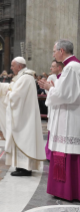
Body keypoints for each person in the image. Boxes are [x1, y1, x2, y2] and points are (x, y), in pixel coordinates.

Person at [0, 56, 46, 176]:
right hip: (20, 115)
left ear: (19, 66)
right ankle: (21, 166)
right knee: (20, 140)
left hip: (24, 117)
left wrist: (8, 93)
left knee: (24, 140)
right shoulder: (21, 77)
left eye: (12, 65)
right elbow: (10, 87)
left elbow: (16, 95)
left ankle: (26, 168)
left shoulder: (26, 78)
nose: (11, 68)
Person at [38, 39, 80, 201]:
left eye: (54, 51)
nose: (53, 54)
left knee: (68, 152)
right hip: (69, 114)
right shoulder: (74, 66)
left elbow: (66, 95)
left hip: (70, 116)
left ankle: (68, 191)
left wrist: (49, 88)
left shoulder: (71, 68)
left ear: (61, 51)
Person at [43, 60, 64, 161]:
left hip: (61, 107)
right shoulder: (51, 77)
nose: (50, 69)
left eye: (53, 66)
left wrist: (53, 88)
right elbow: (48, 92)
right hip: (53, 106)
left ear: (59, 67)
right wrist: (47, 87)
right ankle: (49, 153)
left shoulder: (64, 77)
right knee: (51, 129)